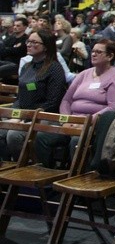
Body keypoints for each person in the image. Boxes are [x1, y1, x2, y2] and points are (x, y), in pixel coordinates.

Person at [34, 40, 115, 168]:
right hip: (72, 122)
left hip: (95, 126)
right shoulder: (84, 74)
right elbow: (66, 100)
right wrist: (66, 120)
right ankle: (48, 176)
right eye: (93, 51)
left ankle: (78, 177)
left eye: (98, 52)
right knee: (42, 137)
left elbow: (114, 108)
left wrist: (87, 122)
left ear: (110, 56)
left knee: (76, 140)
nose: (93, 54)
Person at [0, 30, 67, 161]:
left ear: (46, 46)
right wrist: (15, 114)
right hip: (24, 115)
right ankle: (7, 168)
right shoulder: (26, 67)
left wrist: (26, 118)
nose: (29, 45)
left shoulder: (54, 68)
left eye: (34, 42)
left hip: (45, 116)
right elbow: (21, 97)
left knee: (14, 135)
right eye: (28, 41)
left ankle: (25, 167)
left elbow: (53, 102)